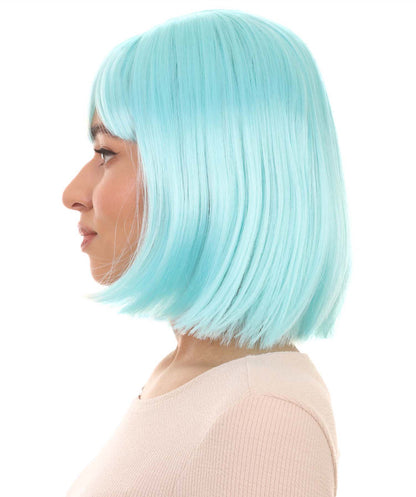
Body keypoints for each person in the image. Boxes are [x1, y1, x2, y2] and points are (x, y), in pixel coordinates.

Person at [62, 8, 351, 496]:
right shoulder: (188, 378)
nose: (72, 193)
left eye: (106, 153)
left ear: (203, 178)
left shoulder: (263, 414)